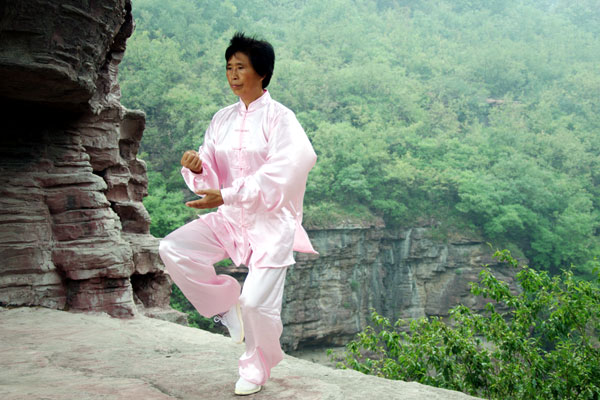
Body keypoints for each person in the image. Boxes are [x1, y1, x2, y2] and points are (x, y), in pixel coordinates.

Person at [158, 32, 317, 396]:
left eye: (240, 67)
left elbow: (292, 166)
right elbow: (209, 172)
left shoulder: (281, 119)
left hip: (270, 224)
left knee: (257, 303)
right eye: (228, 67)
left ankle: (255, 369)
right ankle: (224, 304)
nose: (232, 74)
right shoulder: (222, 119)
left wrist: (229, 194)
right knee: (173, 249)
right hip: (230, 217)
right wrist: (197, 168)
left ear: (261, 72)